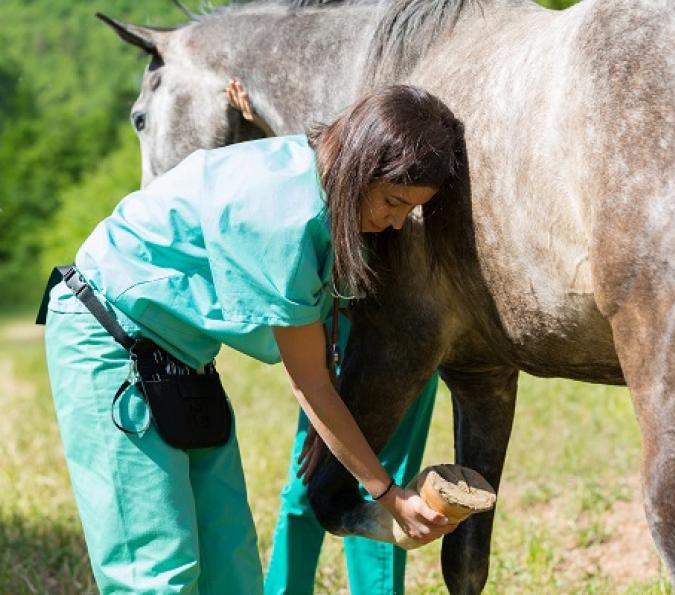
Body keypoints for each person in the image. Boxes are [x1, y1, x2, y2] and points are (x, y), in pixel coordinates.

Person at [42, 84, 467, 593]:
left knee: (233, 568)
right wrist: (385, 492)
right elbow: (310, 382)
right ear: (360, 164)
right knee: (156, 574)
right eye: (394, 202)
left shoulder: (323, 186)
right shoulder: (285, 215)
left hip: (183, 355)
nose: (396, 222)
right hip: (108, 334)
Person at [225, 79, 440, 595]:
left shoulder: (411, 176)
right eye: (392, 203)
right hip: (327, 349)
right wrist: (257, 120)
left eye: (404, 209)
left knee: (378, 485)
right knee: (307, 485)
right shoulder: (329, 177)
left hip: (394, 351)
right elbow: (307, 170)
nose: (392, 221)